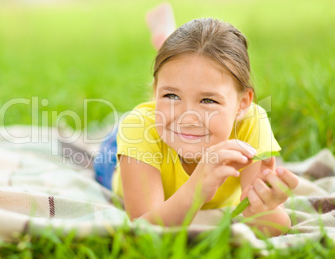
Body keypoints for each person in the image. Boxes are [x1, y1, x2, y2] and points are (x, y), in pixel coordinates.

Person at [94, 4, 299, 237]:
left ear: (243, 104)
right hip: (118, 157)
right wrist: (196, 188)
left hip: (162, 125)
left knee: (186, 73)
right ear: (155, 93)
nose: (187, 117)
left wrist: (267, 207)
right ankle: (166, 51)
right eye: (171, 95)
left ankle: (167, 52)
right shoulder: (138, 127)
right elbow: (143, 230)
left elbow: (272, 228)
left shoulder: (252, 122)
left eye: (208, 100)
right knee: (130, 125)